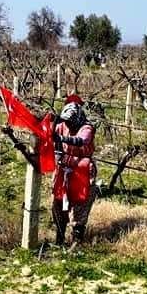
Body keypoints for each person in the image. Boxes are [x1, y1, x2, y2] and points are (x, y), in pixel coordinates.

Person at [51, 94, 97, 246]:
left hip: (82, 171)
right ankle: (59, 240)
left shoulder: (86, 128)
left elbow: (82, 140)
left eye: (70, 122)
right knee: (58, 203)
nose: (68, 125)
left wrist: (62, 139)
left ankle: (76, 242)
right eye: (66, 122)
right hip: (64, 169)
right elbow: (52, 132)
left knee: (80, 205)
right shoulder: (63, 125)